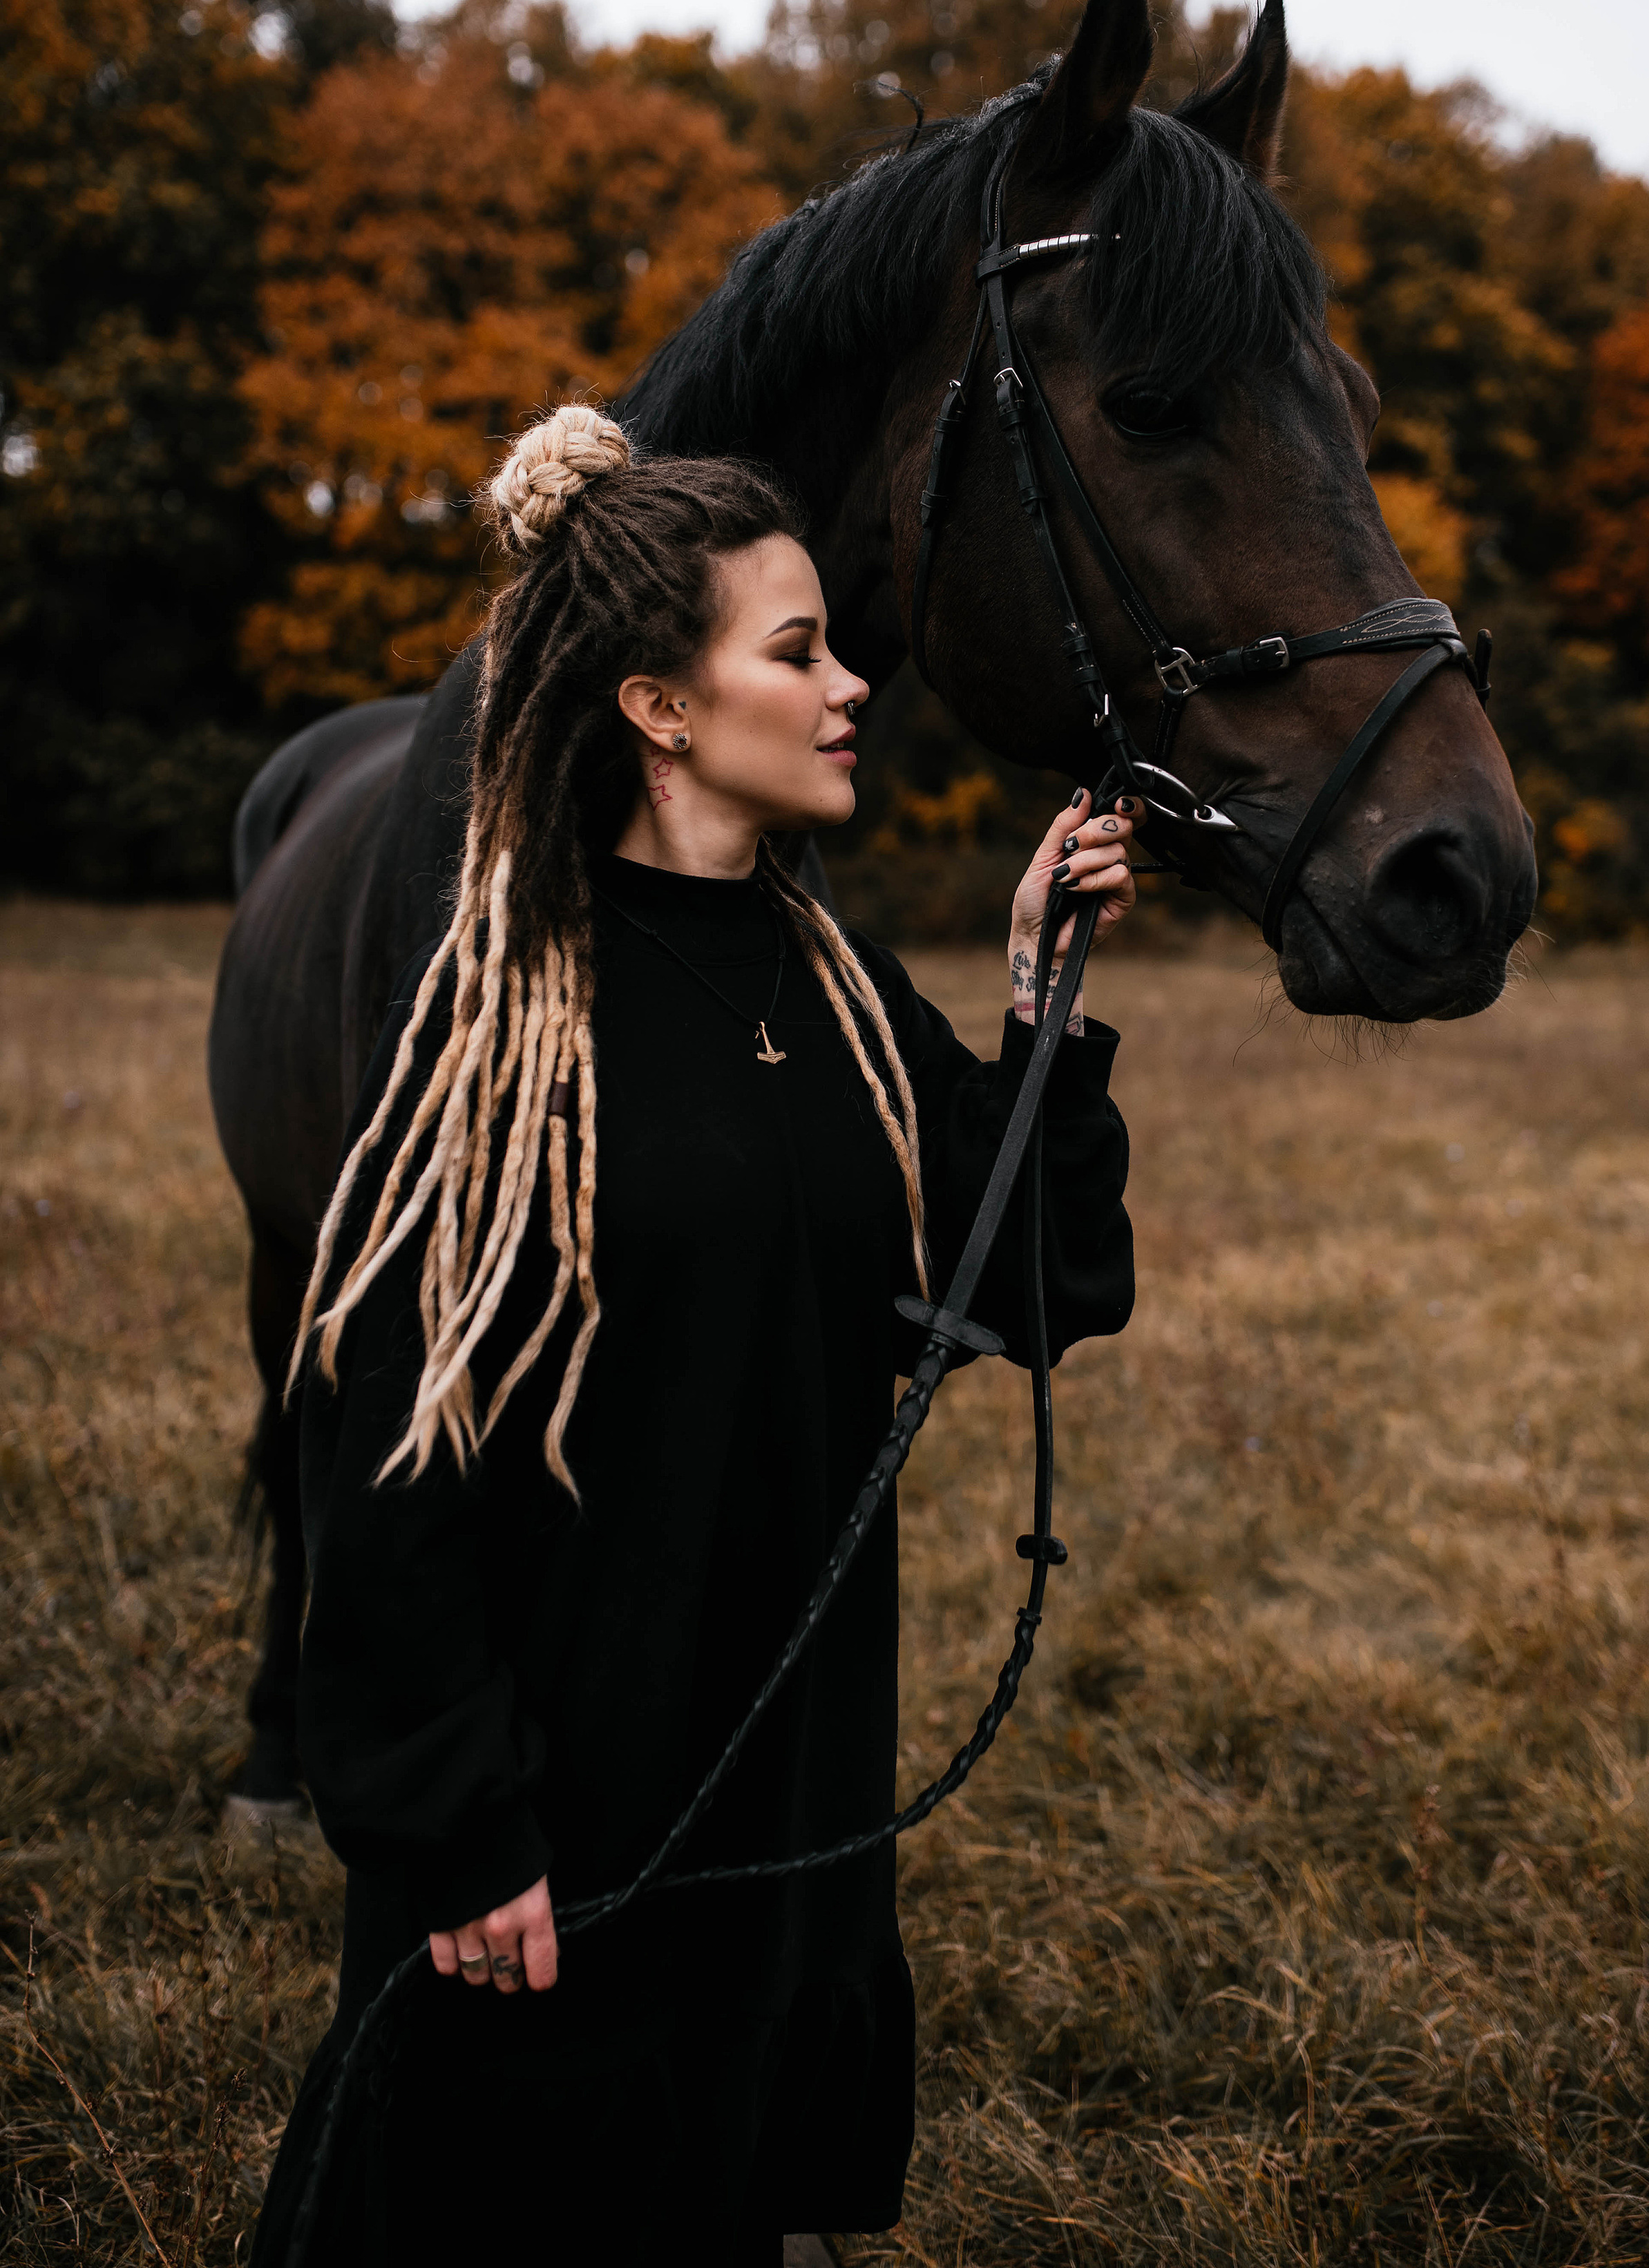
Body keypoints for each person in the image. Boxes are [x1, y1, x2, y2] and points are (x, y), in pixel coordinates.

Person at [251, 406, 1137, 2267]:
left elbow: (1028, 1285)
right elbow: (390, 1471)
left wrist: (1042, 997)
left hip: (789, 1774)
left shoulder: (831, 977)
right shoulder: (502, 1030)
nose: (850, 689)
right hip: (557, 1823)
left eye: (839, 646)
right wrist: (457, 1830)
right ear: (658, 706)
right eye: (797, 649)